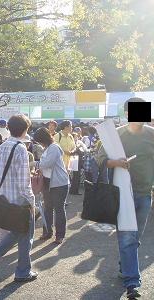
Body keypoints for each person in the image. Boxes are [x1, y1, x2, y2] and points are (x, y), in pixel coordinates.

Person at [96, 98, 154, 299]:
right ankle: (132, 282)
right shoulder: (116, 135)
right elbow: (100, 158)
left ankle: (125, 265)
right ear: (127, 114)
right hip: (123, 195)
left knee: (134, 238)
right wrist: (115, 162)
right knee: (128, 237)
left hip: (145, 194)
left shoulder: (152, 134)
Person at [0, 114, 37, 283]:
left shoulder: (3, 145)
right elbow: (23, 182)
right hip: (20, 200)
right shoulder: (20, 148)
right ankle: (22, 272)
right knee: (26, 236)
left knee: (18, 232)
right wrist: (32, 202)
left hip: (6, 196)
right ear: (25, 130)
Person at [34, 128, 70, 244]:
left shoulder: (54, 147)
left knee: (59, 209)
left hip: (59, 183)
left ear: (43, 139)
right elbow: (44, 165)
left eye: (39, 141)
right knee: (47, 208)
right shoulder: (47, 148)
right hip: (48, 182)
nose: (39, 143)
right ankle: (47, 232)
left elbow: (46, 163)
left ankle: (60, 235)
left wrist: (34, 163)